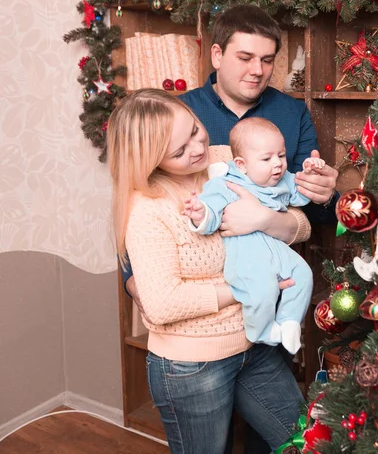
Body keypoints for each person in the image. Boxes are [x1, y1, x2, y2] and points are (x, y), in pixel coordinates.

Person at [122, 4, 340, 453]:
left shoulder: (234, 150)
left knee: (297, 442)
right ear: (217, 54)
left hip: (256, 335)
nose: (197, 147)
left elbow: (302, 209)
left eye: (267, 60)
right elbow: (146, 259)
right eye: (245, 57)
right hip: (196, 355)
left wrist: (298, 205)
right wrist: (138, 282)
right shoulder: (175, 127)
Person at [107, 89, 307, 454]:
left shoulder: (226, 160)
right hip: (191, 366)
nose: (198, 149)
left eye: (196, 131)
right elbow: (163, 304)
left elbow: (300, 224)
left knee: (307, 441)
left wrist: (265, 219)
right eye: (179, 151)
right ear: (150, 160)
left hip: (256, 342)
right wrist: (250, 287)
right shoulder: (147, 210)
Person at [183, 118, 326, 355]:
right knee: (262, 289)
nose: (278, 164)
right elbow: (212, 217)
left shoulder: (283, 178)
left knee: (303, 273)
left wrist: (310, 171)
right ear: (242, 164)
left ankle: (289, 321)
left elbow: (300, 197)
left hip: (277, 248)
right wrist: (200, 214)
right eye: (267, 158)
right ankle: (261, 331)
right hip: (246, 255)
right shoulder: (226, 183)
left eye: (281, 155)